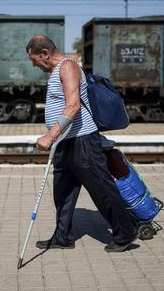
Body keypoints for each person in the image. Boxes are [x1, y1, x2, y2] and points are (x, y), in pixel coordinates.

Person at [26, 35, 138, 252]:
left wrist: (49, 136)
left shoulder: (67, 67)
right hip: (66, 142)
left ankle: (125, 233)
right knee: (63, 192)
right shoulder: (54, 72)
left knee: (101, 188)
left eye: (34, 59)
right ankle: (63, 237)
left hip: (83, 141)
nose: (33, 64)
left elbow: (73, 106)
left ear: (45, 54)